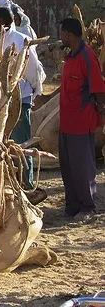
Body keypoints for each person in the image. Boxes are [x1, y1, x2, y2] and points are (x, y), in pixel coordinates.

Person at [0, 7, 47, 204]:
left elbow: (33, 68)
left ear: (3, 21)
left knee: (21, 141)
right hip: (0, 99)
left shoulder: (19, 39)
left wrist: (35, 90)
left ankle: (28, 184)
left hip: (20, 96)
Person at [59, 18, 105, 218]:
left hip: (81, 122)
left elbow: (98, 87)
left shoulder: (87, 56)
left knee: (83, 167)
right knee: (68, 167)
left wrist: (102, 112)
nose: (60, 36)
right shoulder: (70, 57)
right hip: (66, 123)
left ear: (68, 34)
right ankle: (73, 206)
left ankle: (88, 207)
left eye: (61, 33)